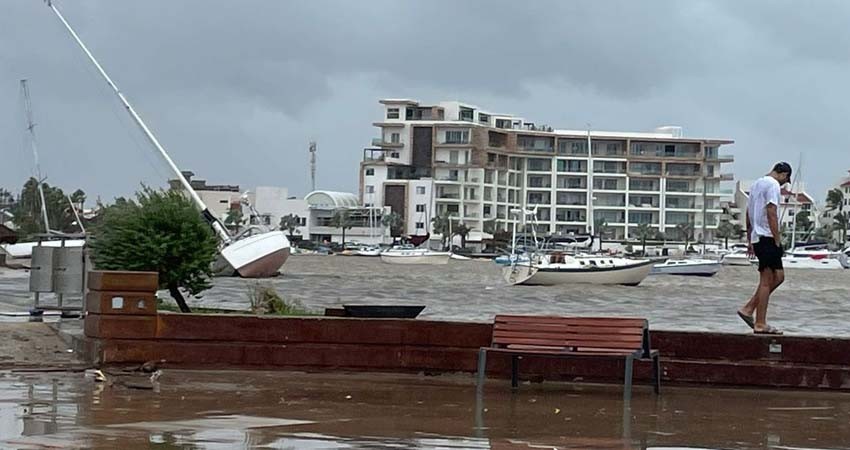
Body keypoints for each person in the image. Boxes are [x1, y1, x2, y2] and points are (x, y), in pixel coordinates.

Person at [737, 162, 792, 335]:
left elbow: (748, 212)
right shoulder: (773, 185)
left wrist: (749, 238)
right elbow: (771, 212)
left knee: (779, 277)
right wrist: (777, 239)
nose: (784, 184)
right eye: (786, 180)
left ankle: (749, 308)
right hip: (767, 237)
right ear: (783, 174)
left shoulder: (757, 184)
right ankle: (760, 323)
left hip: (758, 237)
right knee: (767, 281)